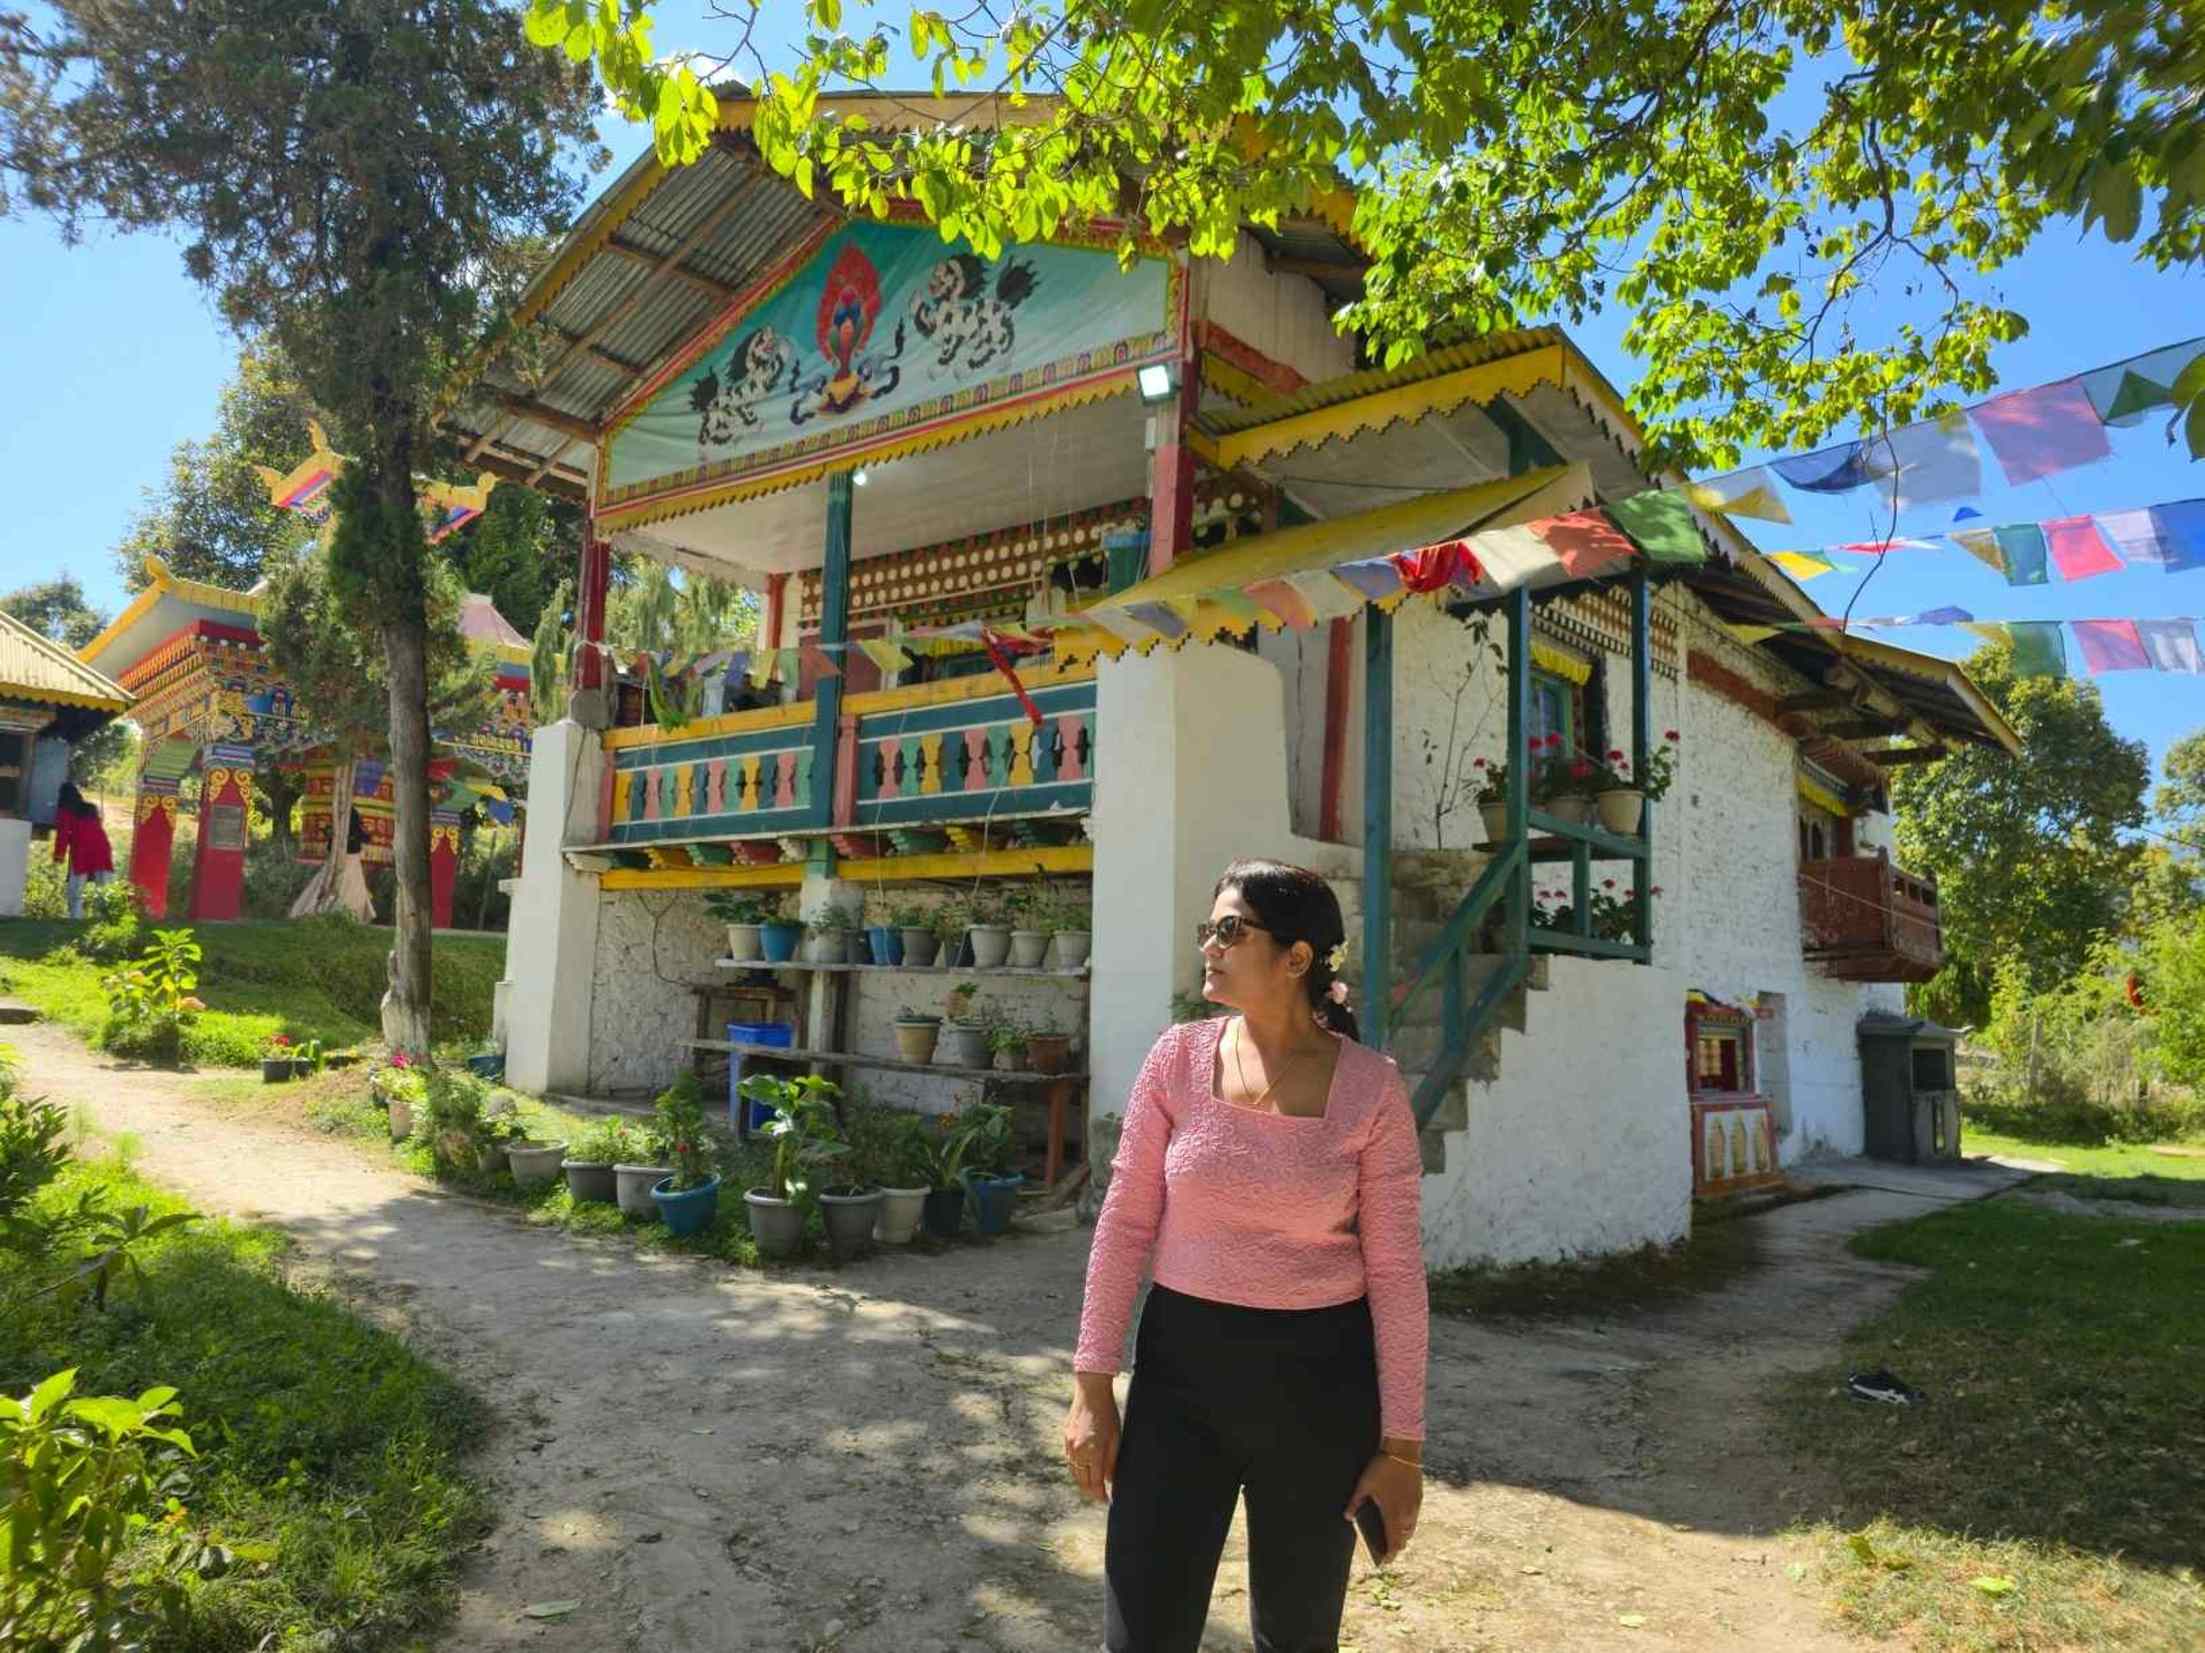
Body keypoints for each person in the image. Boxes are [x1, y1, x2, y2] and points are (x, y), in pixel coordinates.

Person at [1067, 859, 1429, 1653]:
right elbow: (1124, 1223)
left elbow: (1397, 1273)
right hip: (1178, 1379)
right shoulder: (1176, 1060)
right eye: (1210, 928)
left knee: (1296, 1639)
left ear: (1297, 957)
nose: (1210, 944)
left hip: (1318, 1393)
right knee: (1141, 1635)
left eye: (1230, 929)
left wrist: (1401, 1447)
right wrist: (1092, 1385)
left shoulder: (1372, 1089)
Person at [50, 781, 116, 920]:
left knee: (76, 888)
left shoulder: (65, 812)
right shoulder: (91, 808)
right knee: (104, 886)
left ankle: (76, 917)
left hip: (81, 851)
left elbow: (62, 835)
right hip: (102, 848)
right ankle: (104, 918)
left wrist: (59, 855)